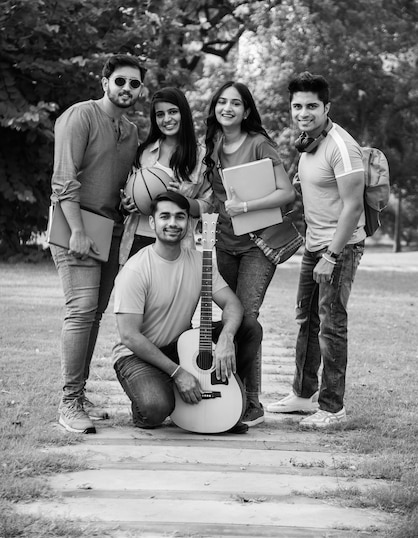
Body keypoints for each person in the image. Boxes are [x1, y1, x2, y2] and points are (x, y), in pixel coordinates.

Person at [112, 190, 262, 434]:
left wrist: (226, 337)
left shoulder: (198, 262)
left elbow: (233, 304)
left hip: (181, 347)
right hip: (138, 354)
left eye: (180, 217)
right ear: (152, 222)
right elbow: (129, 336)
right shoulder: (136, 270)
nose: (173, 223)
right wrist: (178, 372)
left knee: (248, 328)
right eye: (165, 217)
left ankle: (231, 400)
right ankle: (163, 390)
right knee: (155, 408)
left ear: (189, 223)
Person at [50, 53, 145, 434]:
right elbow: (64, 179)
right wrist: (76, 230)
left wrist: (128, 198)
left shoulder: (132, 131)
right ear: (105, 81)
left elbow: (121, 180)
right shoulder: (80, 116)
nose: (126, 88)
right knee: (81, 309)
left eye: (134, 83)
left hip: (111, 229)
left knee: (95, 313)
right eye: (120, 81)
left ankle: (81, 393)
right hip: (75, 225)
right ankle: (68, 402)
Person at [266, 71, 365, 429]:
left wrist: (331, 256)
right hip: (314, 245)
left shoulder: (341, 146)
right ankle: (303, 394)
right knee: (307, 319)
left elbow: (353, 207)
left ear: (327, 107)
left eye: (311, 106)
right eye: (297, 106)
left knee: (331, 325)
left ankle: (332, 408)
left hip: (339, 248)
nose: (303, 112)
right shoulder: (309, 141)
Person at [204, 81, 296, 427]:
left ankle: (251, 403)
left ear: (246, 111)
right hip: (224, 244)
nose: (228, 108)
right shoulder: (211, 146)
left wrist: (247, 205)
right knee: (233, 315)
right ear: (215, 107)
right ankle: (231, 395)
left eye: (236, 103)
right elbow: (209, 195)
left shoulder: (259, 144)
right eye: (222, 102)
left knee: (246, 318)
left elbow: (286, 192)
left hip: (258, 244)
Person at [119, 87, 212, 264]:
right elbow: (127, 194)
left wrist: (182, 200)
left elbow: (208, 205)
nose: (167, 119)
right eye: (160, 114)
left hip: (177, 243)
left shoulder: (201, 157)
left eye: (173, 112)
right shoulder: (143, 152)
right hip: (138, 239)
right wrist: (126, 205)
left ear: (183, 113)